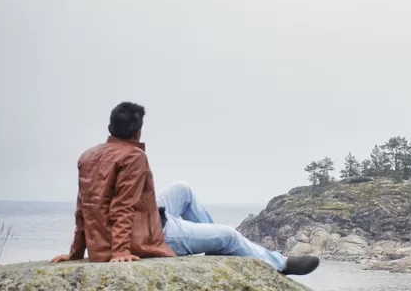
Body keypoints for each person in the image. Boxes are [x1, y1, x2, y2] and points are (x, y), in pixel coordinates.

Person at [50, 101, 319, 275]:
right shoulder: (133, 156)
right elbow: (123, 206)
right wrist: (120, 250)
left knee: (182, 189)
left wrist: (76, 251)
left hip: (130, 225)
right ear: (137, 134)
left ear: (109, 127)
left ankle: (216, 249)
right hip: (145, 236)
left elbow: (84, 207)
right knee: (228, 235)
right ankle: (278, 264)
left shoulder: (88, 156)